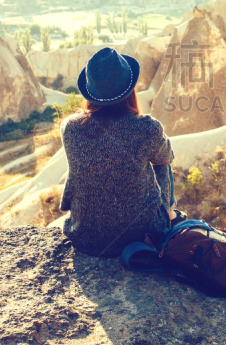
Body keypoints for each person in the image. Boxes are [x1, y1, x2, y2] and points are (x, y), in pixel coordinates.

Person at [59, 47, 184, 257]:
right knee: (162, 164)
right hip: (139, 237)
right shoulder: (147, 129)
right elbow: (167, 157)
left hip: (85, 237)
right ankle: (169, 216)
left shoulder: (69, 128)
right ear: (129, 90)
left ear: (90, 92)